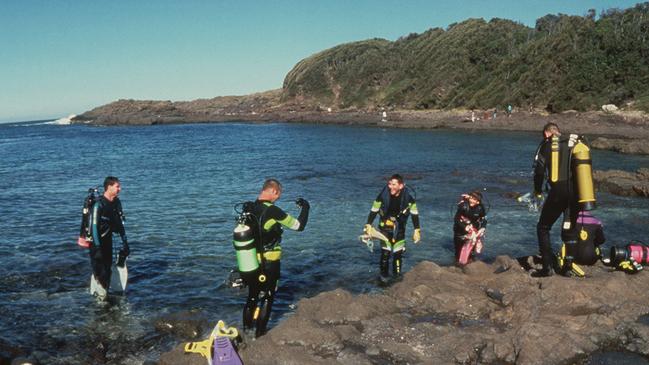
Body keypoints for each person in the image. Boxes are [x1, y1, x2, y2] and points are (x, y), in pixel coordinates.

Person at [240, 179, 309, 337]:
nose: (277, 198)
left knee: (252, 297)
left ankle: (246, 331)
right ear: (273, 191)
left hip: (250, 260)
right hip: (269, 262)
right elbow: (299, 226)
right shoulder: (272, 211)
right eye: (278, 195)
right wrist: (306, 207)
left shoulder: (249, 208)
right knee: (268, 296)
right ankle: (260, 334)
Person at [532, 123, 582, 277]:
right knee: (570, 228)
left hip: (558, 192)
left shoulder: (546, 145)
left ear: (547, 133)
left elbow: (539, 171)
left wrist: (538, 191)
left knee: (543, 227)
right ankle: (568, 267)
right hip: (577, 192)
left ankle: (547, 268)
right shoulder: (574, 143)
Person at [365, 174, 421, 282]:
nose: (391, 187)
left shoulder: (409, 199)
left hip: (399, 228)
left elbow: (414, 214)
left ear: (401, 186)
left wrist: (417, 230)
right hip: (385, 227)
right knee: (385, 254)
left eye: (394, 184)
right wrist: (368, 224)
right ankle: (383, 278)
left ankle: (397, 278)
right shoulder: (382, 195)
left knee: (397, 254)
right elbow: (374, 210)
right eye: (389, 184)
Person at [89, 176, 129, 296]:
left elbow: (120, 225)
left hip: (108, 241)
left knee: (108, 269)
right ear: (109, 187)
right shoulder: (98, 205)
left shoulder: (116, 203)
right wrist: (97, 248)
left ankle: (105, 294)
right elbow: (94, 227)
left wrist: (125, 242)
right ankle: (99, 297)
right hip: (96, 243)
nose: (120, 189)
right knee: (101, 271)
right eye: (117, 186)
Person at [453, 191, 487, 265]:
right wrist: (465, 227)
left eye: (475, 200)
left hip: (473, 232)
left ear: (478, 202)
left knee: (471, 252)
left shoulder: (480, 208)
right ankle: (457, 266)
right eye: (471, 198)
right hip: (460, 231)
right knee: (458, 251)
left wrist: (483, 228)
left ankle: (470, 264)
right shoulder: (463, 206)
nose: (472, 200)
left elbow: (483, 219)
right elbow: (456, 219)